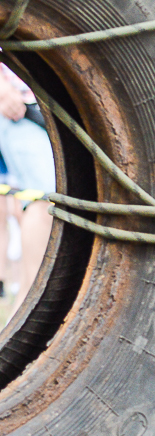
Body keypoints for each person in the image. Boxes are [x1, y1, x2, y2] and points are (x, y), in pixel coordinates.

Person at [0, 64, 55, 315]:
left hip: (35, 104)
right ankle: (32, 301)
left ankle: (24, 300)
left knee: (43, 199)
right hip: (16, 107)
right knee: (43, 199)